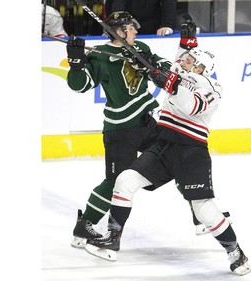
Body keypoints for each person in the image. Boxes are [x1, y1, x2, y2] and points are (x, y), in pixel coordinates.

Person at [84, 16, 251, 276]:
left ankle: (236, 253)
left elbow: (192, 106)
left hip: (190, 153)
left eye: (188, 60)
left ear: (199, 68)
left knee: (204, 210)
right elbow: (177, 65)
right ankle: (113, 239)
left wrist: (170, 83)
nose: (181, 61)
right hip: (162, 147)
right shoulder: (182, 72)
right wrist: (186, 39)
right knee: (125, 179)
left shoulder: (212, 87)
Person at [66, 11, 202, 249]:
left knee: (177, 157)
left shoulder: (139, 47)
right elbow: (80, 85)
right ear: (119, 32)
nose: (136, 31)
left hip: (146, 123)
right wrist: (76, 63)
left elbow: (165, 67)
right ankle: (85, 223)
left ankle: (199, 210)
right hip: (120, 130)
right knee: (115, 181)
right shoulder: (100, 56)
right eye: (131, 27)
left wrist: (153, 66)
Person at [107, 0, 177, 36]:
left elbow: (169, 3)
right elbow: (118, 5)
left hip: (153, 27)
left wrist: (168, 26)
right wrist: (115, 27)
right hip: (126, 27)